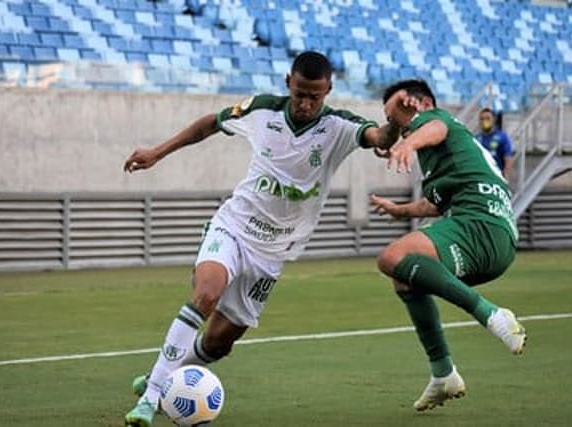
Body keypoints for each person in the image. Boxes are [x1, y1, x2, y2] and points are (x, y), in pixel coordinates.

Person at [122, 51, 399, 426]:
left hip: (271, 253)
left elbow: (378, 136)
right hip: (234, 226)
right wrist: (157, 152)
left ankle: (167, 375)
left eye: (314, 96)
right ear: (288, 82)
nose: (305, 103)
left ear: (328, 91)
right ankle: (151, 397)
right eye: (300, 93)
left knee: (219, 343)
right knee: (206, 294)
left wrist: (395, 125)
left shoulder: (339, 127)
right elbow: (209, 124)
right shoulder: (262, 110)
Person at [370, 79, 526, 412]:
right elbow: (434, 205)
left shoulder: (433, 119)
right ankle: (443, 374)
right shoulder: (450, 154)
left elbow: (437, 126)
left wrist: (408, 144)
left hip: (479, 224)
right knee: (404, 275)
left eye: (394, 113)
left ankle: (491, 314)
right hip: (498, 239)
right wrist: (400, 211)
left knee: (392, 257)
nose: (393, 125)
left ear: (417, 102)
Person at [476, 107, 514, 178]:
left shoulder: (502, 137)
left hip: (496, 178)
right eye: (482, 119)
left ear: (494, 120)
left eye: (488, 118)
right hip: (481, 178)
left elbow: (508, 160)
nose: (484, 121)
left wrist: (505, 177)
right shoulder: (476, 138)